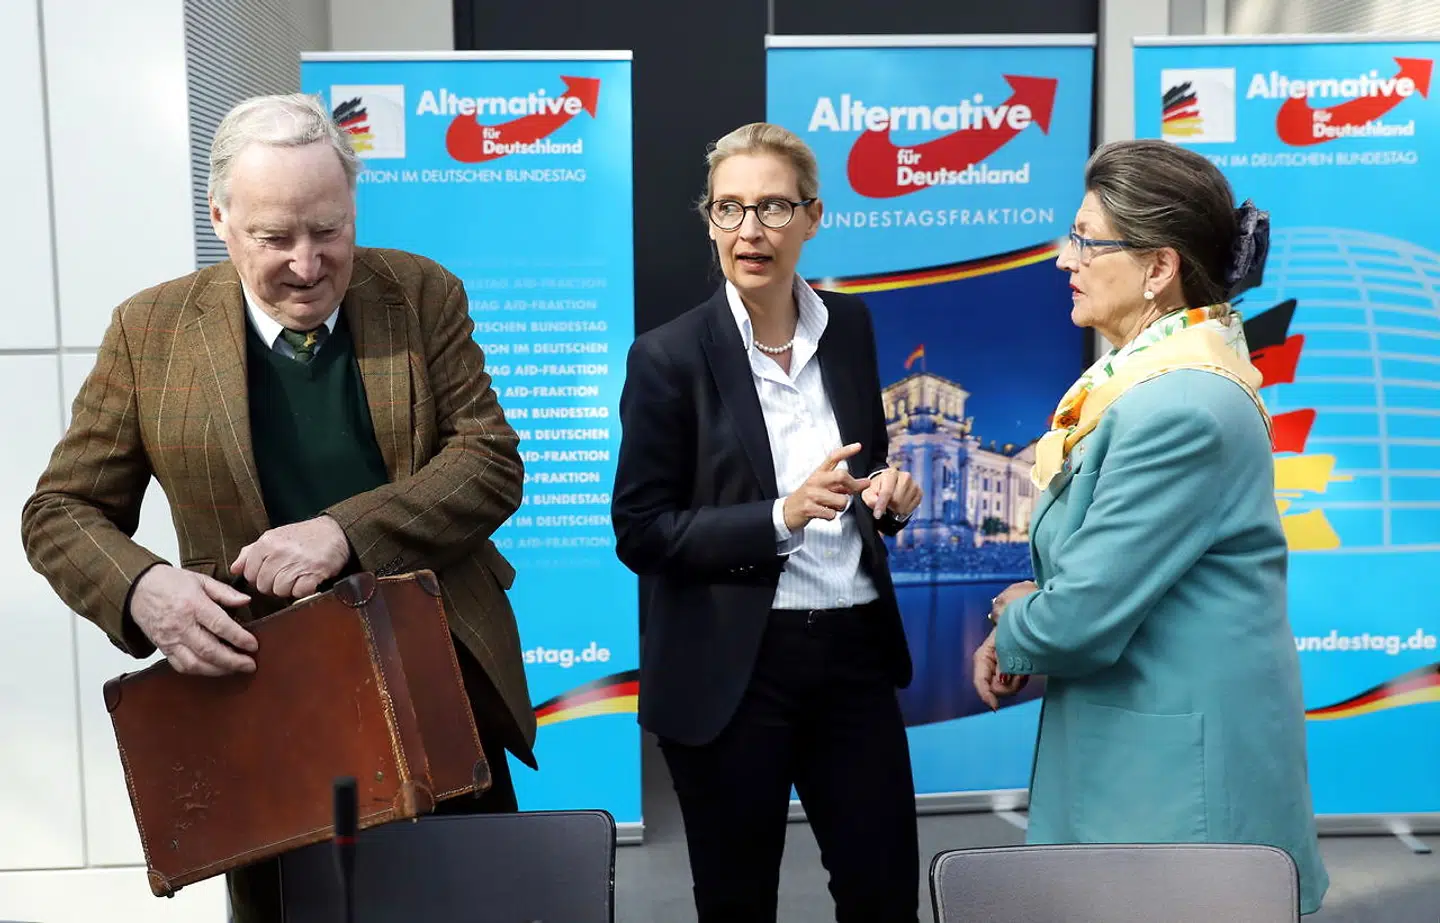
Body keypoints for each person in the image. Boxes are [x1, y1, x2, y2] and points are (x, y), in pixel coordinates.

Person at [20, 93, 533, 921]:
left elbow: (487, 463)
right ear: (220, 217)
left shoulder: (422, 292)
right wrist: (144, 589)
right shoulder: (150, 333)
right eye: (273, 236)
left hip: (433, 691)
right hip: (264, 712)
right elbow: (61, 509)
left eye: (328, 229)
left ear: (352, 204)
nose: (307, 261)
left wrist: (343, 532)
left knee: (467, 904)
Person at [971, 138, 1329, 915]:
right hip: (1154, 774)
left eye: (1086, 240)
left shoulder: (1179, 406)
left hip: (1174, 796)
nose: (1066, 259)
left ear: (1158, 267)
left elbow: (1079, 618)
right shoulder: (1151, 385)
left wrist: (1011, 620)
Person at [611, 122, 923, 923]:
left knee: (883, 892)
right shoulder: (668, 357)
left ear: (813, 217)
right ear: (709, 220)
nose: (750, 231)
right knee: (738, 903)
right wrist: (779, 515)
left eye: (774, 207)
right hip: (733, 669)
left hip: (853, 652)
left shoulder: (848, 327)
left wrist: (886, 495)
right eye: (729, 208)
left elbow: (863, 467)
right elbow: (640, 530)